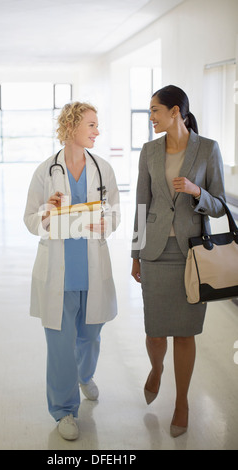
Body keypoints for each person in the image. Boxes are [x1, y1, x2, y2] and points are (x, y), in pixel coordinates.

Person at [131, 85, 226, 437]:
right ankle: (157, 369)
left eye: (154, 110)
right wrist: (135, 254)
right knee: (155, 334)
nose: (150, 117)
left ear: (175, 112)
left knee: (185, 334)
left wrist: (196, 191)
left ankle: (181, 401)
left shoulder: (208, 149)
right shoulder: (149, 150)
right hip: (154, 253)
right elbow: (141, 204)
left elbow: (221, 205)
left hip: (192, 255)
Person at [24, 101, 120, 440]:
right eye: (92, 125)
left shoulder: (103, 168)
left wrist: (104, 219)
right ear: (72, 127)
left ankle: (84, 375)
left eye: (97, 125)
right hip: (58, 275)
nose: (97, 131)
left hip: (93, 271)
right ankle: (64, 411)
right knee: (60, 346)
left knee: (90, 337)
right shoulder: (45, 171)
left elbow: (116, 214)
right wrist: (47, 215)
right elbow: (31, 219)